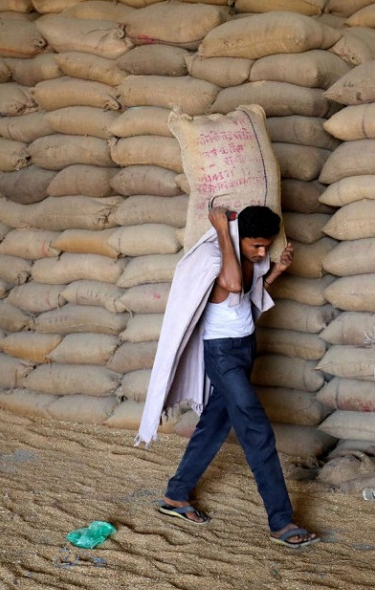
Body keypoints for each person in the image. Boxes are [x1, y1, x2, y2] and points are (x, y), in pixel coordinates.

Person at [152, 205, 319, 549]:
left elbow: (245, 299)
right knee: (257, 431)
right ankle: (281, 521)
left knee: (214, 424)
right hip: (223, 355)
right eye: (256, 245)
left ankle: (176, 495)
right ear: (237, 238)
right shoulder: (216, 258)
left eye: (266, 246)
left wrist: (276, 272)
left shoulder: (246, 258)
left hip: (244, 348)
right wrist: (222, 232)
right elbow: (230, 284)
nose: (262, 253)